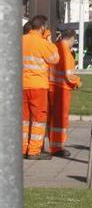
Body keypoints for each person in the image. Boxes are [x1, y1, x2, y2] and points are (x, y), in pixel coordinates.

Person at [22, 15, 60, 160]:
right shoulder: (42, 43)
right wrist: (49, 40)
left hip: (21, 85)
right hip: (38, 86)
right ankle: (33, 151)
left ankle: (22, 147)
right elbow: (55, 58)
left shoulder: (21, 40)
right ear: (43, 27)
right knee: (38, 119)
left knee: (23, 120)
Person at [48, 29, 81, 157]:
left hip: (51, 87)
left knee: (50, 119)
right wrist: (78, 82)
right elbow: (69, 75)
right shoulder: (66, 52)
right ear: (72, 38)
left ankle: (51, 144)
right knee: (60, 120)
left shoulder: (54, 47)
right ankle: (57, 147)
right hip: (62, 89)